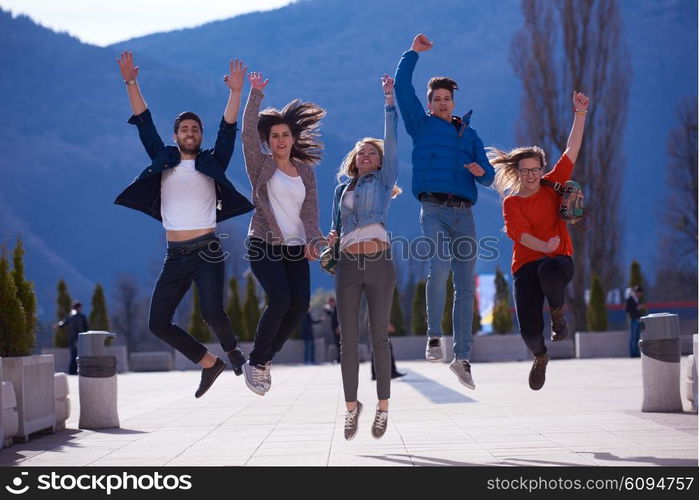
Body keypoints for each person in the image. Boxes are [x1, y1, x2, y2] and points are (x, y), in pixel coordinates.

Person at [114, 52, 253, 398]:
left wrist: (235, 93)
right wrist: (131, 82)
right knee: (157, 323)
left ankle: (233, 351)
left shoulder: (212, 160)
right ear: (175, 136)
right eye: (184, 129)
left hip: (207, 250)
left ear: (199, 136)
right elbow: (143, 121)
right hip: (175, 255)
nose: (190, 133)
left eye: (195, 129)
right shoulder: (162, 159)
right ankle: (209, 363)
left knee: (212, 312)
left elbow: (228, 131)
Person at [394, 33, 495, 390]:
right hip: (434, 208)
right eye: (435, 98)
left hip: (464, 213)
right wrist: (413, 53)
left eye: (446, 98)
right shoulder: (419, 125)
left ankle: (463, 358)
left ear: (454, 101)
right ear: (429, 103)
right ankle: (435, 336)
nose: (441, 102)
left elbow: (490, 176)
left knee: (466, 286)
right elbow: (402, 86)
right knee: (438, 269)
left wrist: (483, 172)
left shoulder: (470, 135)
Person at [489, 91, 590, 390]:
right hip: (526, 267)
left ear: (542, 170)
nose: (531, 175)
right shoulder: (512, 203)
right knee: (529, 332)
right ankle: (540, 356)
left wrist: (580, 114)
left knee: (549, 269)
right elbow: (518, 235)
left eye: (536, 169)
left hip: (558, 263)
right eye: (525, 171)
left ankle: (558, 315)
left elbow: (572, 149)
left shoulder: (553, 183)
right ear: (517, 172)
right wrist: (541, 246)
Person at [241, 72, 326, 396]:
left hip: (294, 248)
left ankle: (262, 362)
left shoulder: (305, 171)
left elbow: (310, 211)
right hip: (263, 242)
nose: (280, 140)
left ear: (293, 138)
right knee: (280, 299)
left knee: (299, 306)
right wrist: (255, 95)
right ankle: (257, 360)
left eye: (285, 135)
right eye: (274, 135)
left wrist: (314, 241)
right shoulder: (260, 164)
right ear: (269, 140)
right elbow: (247, 133)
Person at [326, 75, 400, 440]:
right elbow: (336, 225)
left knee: (378, 338)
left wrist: (389, 100)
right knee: (347, 339)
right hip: (347, 265)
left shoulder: (384, 182)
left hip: (380, 262)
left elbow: (393, 140)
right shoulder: (343, 188)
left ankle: (383, 408)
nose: (367, 155)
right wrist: (333, 238)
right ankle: (352, 408)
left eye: (373, 152)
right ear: (354, 160)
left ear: (380, 161)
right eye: (362, 152)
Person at [55, 301, 90, 375]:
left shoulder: (70, 316)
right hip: (80, 338)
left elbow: (63, 323)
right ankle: (78, 370)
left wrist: (58, 325)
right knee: (79, 355)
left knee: (73, 355)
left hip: (72, 338)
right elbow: (86, 328)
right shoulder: (81, 316)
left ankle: (72, 371)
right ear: (79, 308)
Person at [625, 286, 644, 358]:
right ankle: (632, 353)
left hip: (638, 320)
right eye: (640, 293)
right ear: (637, 292)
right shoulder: (630, 299)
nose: (640, 295)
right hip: (633, 320)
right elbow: (627, 310)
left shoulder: (637, 299)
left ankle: (636, 353)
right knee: (633, 338)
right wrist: (636, 308)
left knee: (637, 338)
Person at [324, 297, 341, 363]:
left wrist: (338, 327)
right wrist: (325, 308)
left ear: (333, 302)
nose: (329, 304)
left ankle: (340, 359)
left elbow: (339, 318)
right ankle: (339, 359)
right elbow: (330, 314)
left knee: (339, 345)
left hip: (338, 330)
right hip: (335, 330)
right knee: (337, 345)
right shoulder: (334, 309)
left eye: (330, 303)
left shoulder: (337, 308)